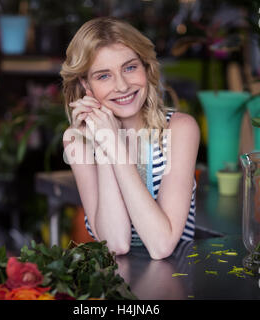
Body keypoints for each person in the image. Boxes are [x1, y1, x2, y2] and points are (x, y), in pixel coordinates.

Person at [60, 17, 200, 260]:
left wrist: (114, 145)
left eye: (130, 67)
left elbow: (162, 244)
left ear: (146, 67)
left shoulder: (180, 129)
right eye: (104, 76)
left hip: (175, 283)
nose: (122, 86)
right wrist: (105, 144)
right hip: (115, 287)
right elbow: (115, 243)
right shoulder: (77, 140)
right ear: (85, 84)